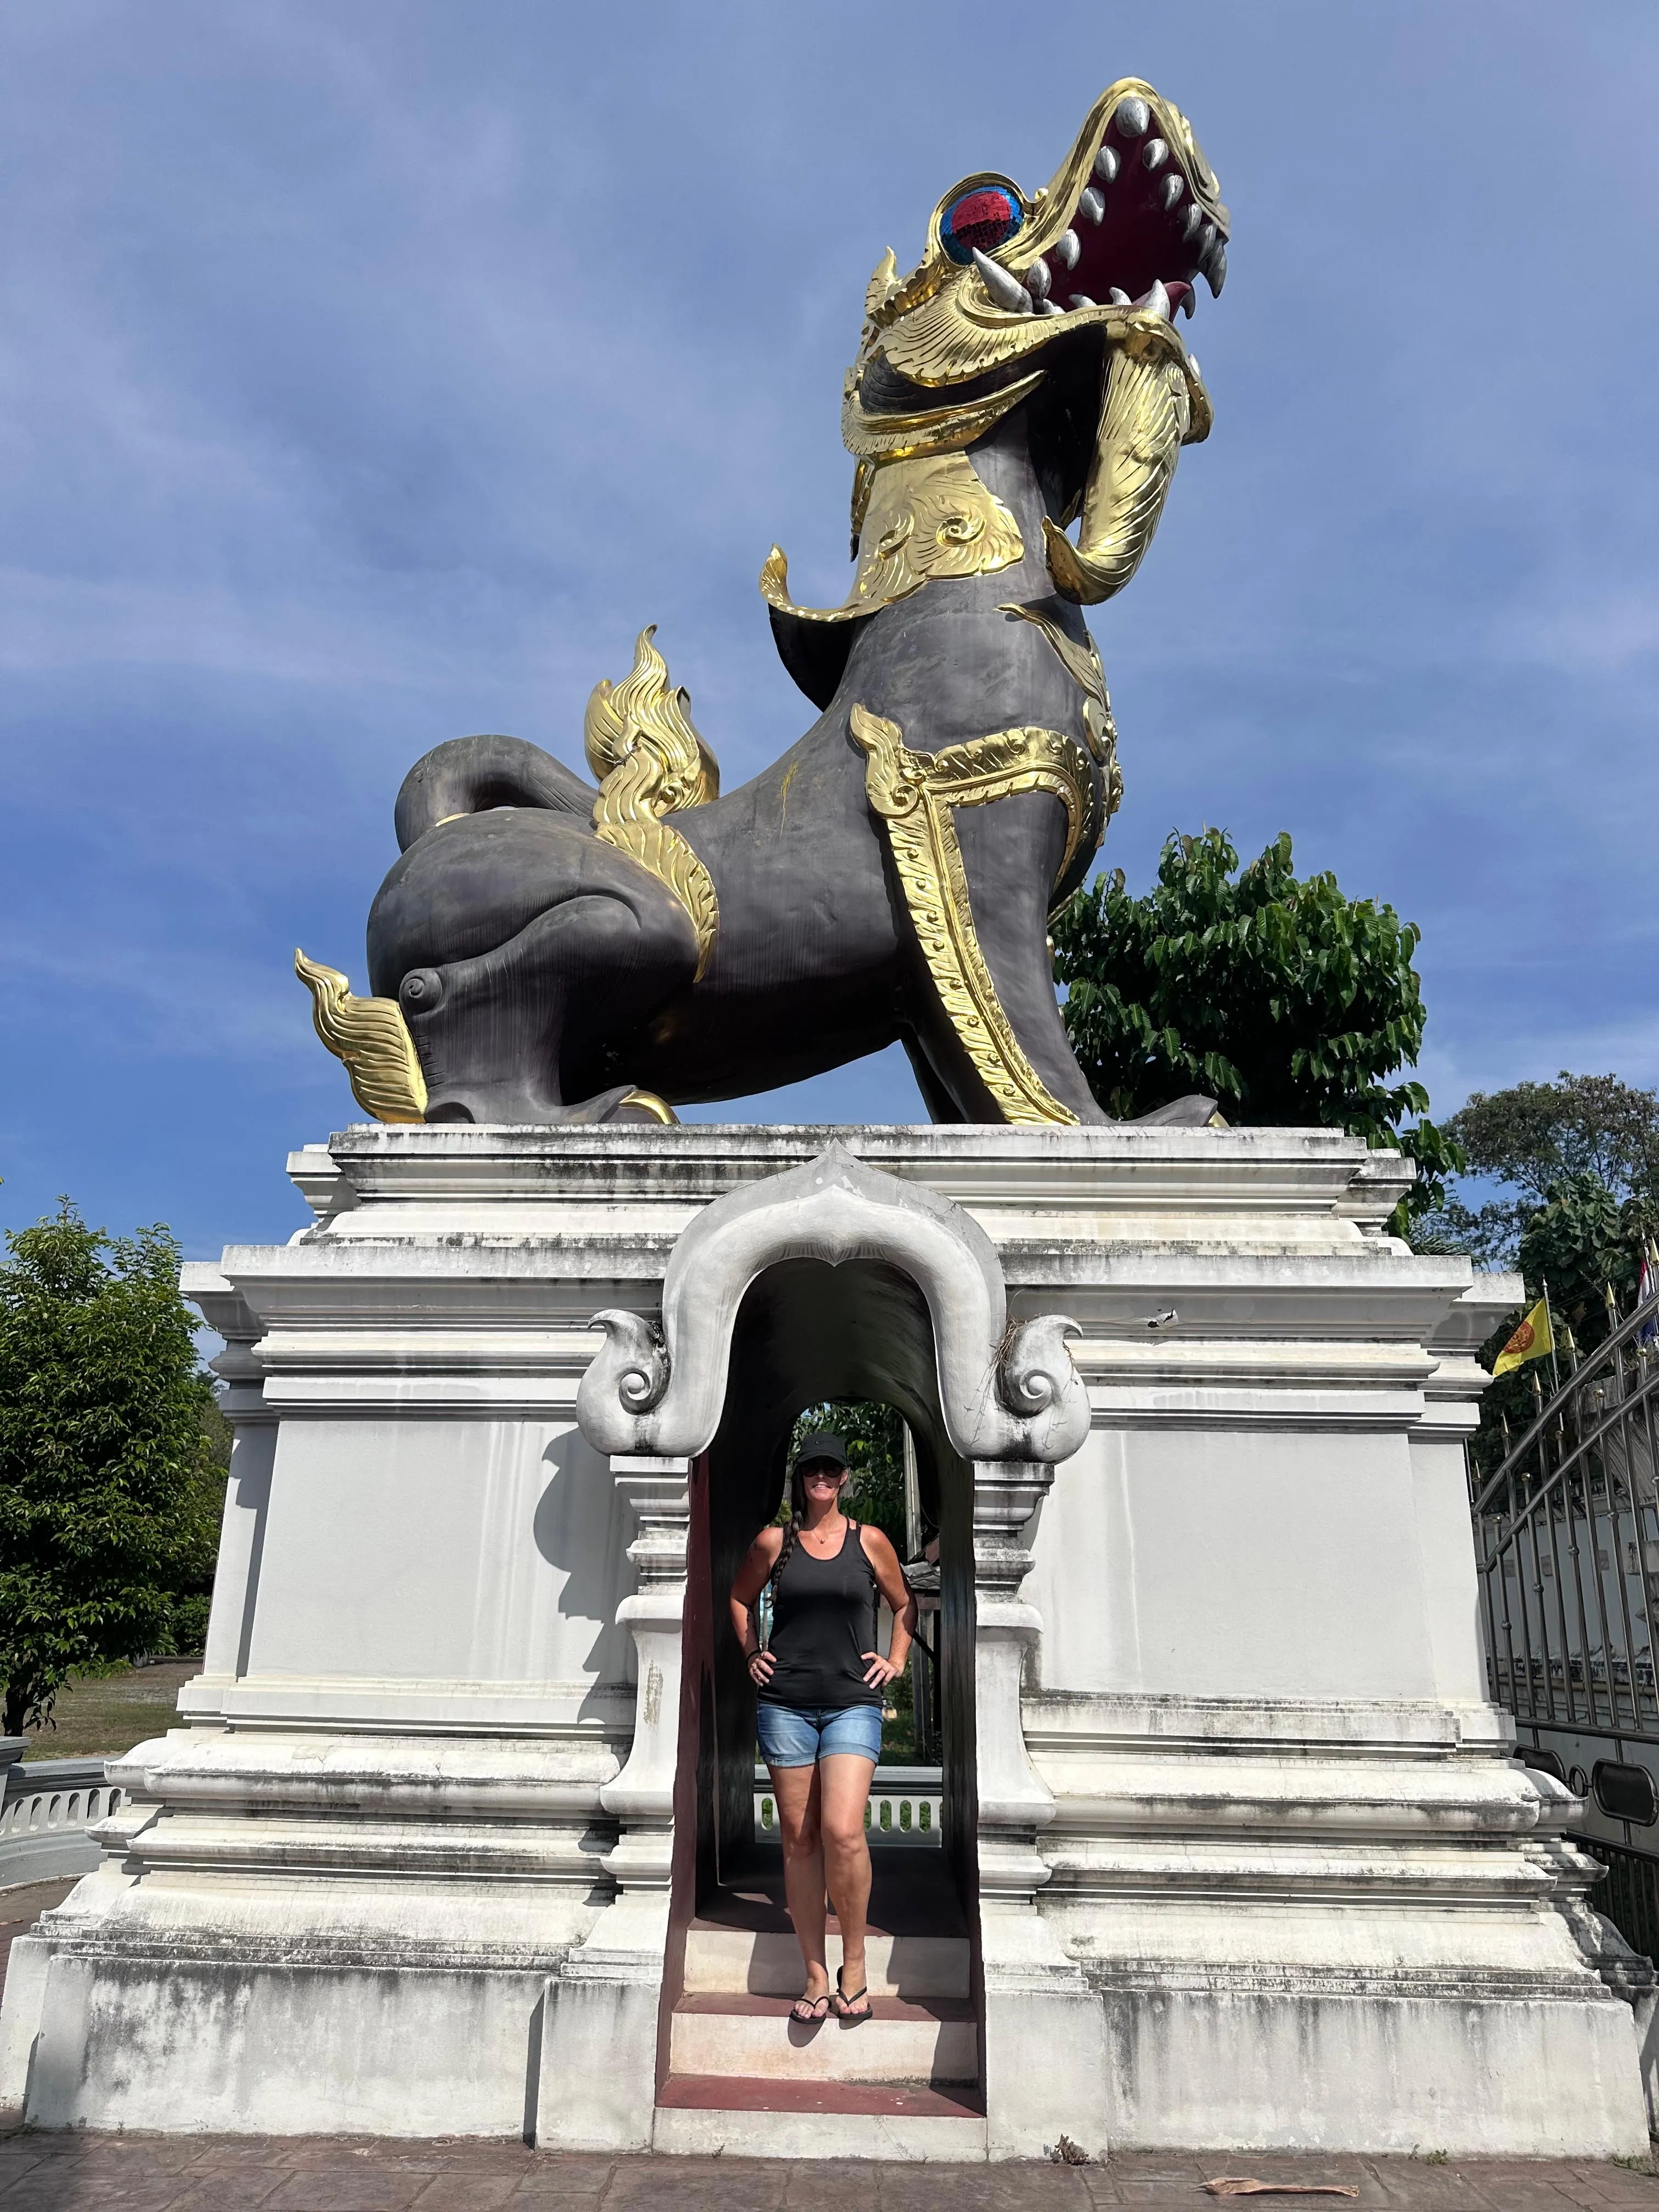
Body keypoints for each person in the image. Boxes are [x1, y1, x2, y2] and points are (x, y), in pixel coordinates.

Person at [729, 1431, 917, 2024]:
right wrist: (750, 1653)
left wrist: (898, 1660)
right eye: (813, 1468)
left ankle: (853, 1965)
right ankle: (814, 1973)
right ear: (802, 1477)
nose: (822, 1477)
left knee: (842, 1830)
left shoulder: (871, 1541)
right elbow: (738, 1598)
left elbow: (904, 1603)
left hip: (851, 1703)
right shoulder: (774, 1542)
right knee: (799, 1839)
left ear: (842, 1478)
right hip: (785, 1704)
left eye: (832, 1469)